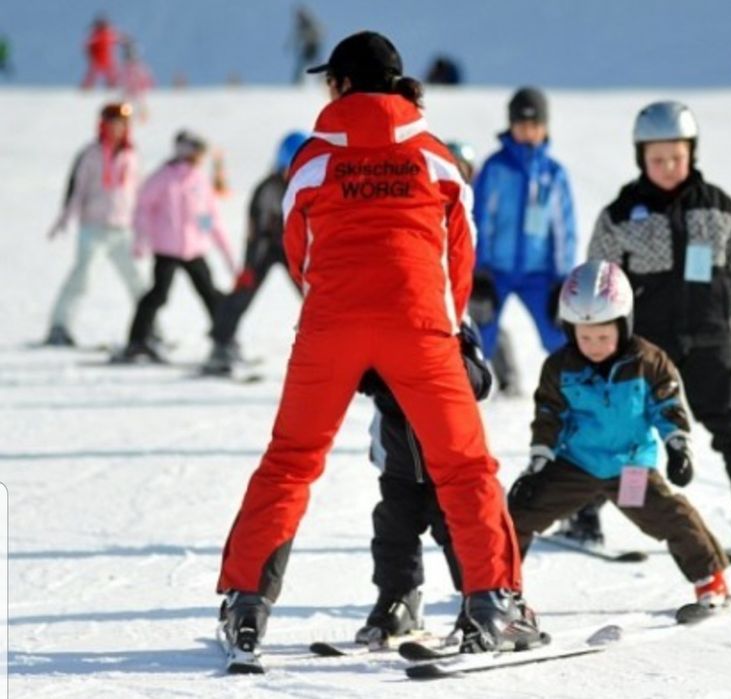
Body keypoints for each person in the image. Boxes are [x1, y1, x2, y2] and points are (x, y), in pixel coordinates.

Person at [216, 30, 541, 660]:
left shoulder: (311, 157)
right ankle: (493, 603)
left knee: (290, 461)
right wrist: (451, 329)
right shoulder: (433, 154)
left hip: (331, 323)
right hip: (419, 323)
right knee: (463, 465)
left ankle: (247, 605)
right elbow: (460, 253)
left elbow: (297, 250)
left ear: (339, 84)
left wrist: (338, 309)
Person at [586, 100, 731, 548]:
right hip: (645, 346)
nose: (669, 166)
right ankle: (585, 511)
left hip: (710, 338)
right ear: (641, 158)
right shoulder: (620, 215)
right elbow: (599, 277)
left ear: (692, 152)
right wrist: (590, 328)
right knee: (620, 426)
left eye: (677, 156)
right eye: (657, 159)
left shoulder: (718, 208)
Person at [508, 261, 731, 608]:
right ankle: (499, 590)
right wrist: (539, 461)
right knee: (518, 514)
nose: (594, 345)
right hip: (576, 464)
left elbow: (668, 405)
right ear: (570, 331)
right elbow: (550, 415)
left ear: (623, 326)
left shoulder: (649, 361)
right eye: (585, 337)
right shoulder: (560, 367)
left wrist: (677, 447)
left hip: (629, 466)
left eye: (603, 336)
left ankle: (711, 581)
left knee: (670, 516)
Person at [354, 319, 493, 643]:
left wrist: (445, 361)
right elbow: (348, 369)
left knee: (459, 532)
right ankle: (400, 598)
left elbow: (481, 381)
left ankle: (479, 603)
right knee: (392, 530)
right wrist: (369, 374)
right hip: (398, 461)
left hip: (449, 463)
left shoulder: (451, 315)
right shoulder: (373, 319)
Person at [473, 87, 577, 363]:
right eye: (521, 125)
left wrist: (561, 279)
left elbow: (564, 230)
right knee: (479, 334)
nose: (528, 132)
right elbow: (479, 219)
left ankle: (576, 391)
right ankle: (468, 395)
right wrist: (478, 271)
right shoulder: (495, 168)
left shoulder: (553, 173)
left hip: (539, 273)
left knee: (559, 335)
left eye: (535, 125)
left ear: (545, 127)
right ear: (511, 125)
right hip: (496, 272)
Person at [121, 130, 237, 361]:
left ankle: (224, 340)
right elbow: (143, 207)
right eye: (196, 153)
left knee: (211, 295)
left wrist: (228, 255)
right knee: (158, 295)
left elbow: (210, 218)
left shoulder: (199, 180)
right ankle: (137, 341)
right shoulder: (163, 177)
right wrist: (141, 239)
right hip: (167, 249)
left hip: (194, 249)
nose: (199, 159)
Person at [203, 131, 309, 375]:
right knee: (243, 293)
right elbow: (255, 231)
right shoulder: (268, 188)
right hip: (266, 248)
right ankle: (221, 344)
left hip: (295, 248)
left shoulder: (308, 181)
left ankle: (336, 343)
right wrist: (249, 266)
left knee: (316, 296)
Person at [44, 102, 144, 347]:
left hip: (123, 228)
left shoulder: (131, 155)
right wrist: (65, 218)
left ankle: (148, 328)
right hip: (94, 227)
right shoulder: (91, 154)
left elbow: (137, 191)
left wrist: (143, 225)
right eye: (113, 124)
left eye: (122, 125)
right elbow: (76, 190)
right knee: (82, 277)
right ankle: (60, 325)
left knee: (137, 280)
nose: (117, 130)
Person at [448, 140, 522, 396]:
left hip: (477, 272)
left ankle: (508, 377)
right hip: (444, 276)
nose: (458, 173)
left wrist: (483, 271)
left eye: (462, 168)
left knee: (485, 320)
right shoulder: (436, 197)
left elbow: (489, 234)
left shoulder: (479, 200)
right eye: (452, 167)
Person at [119, 37, 153, 122]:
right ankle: (127, 119)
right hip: (129, 91)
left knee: (139, 104)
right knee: (127, 105)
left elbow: (146, 79)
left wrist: (145, 86)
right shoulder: (126, 68)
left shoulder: (139, 67)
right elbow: (121, 79)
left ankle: (143, 118)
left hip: (137, 91)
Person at [81, 15, 120, 89]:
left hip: (106, 58)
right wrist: (91, 55)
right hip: (98, 58)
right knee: (94, 73)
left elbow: (117, 39)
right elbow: (88, 46)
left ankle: (112, 84)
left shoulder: (107, 34)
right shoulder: (97, 36)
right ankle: (88, 86)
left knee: (110, 72)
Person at [289, 5, 323, 84]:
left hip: (313, 46)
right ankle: (298, 81)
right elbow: (297, 36)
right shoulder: (300, 25)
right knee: (302, 64)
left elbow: (319, 32)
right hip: (307, 47)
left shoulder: (310, 22)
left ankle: (320, 79)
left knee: (316, 63)